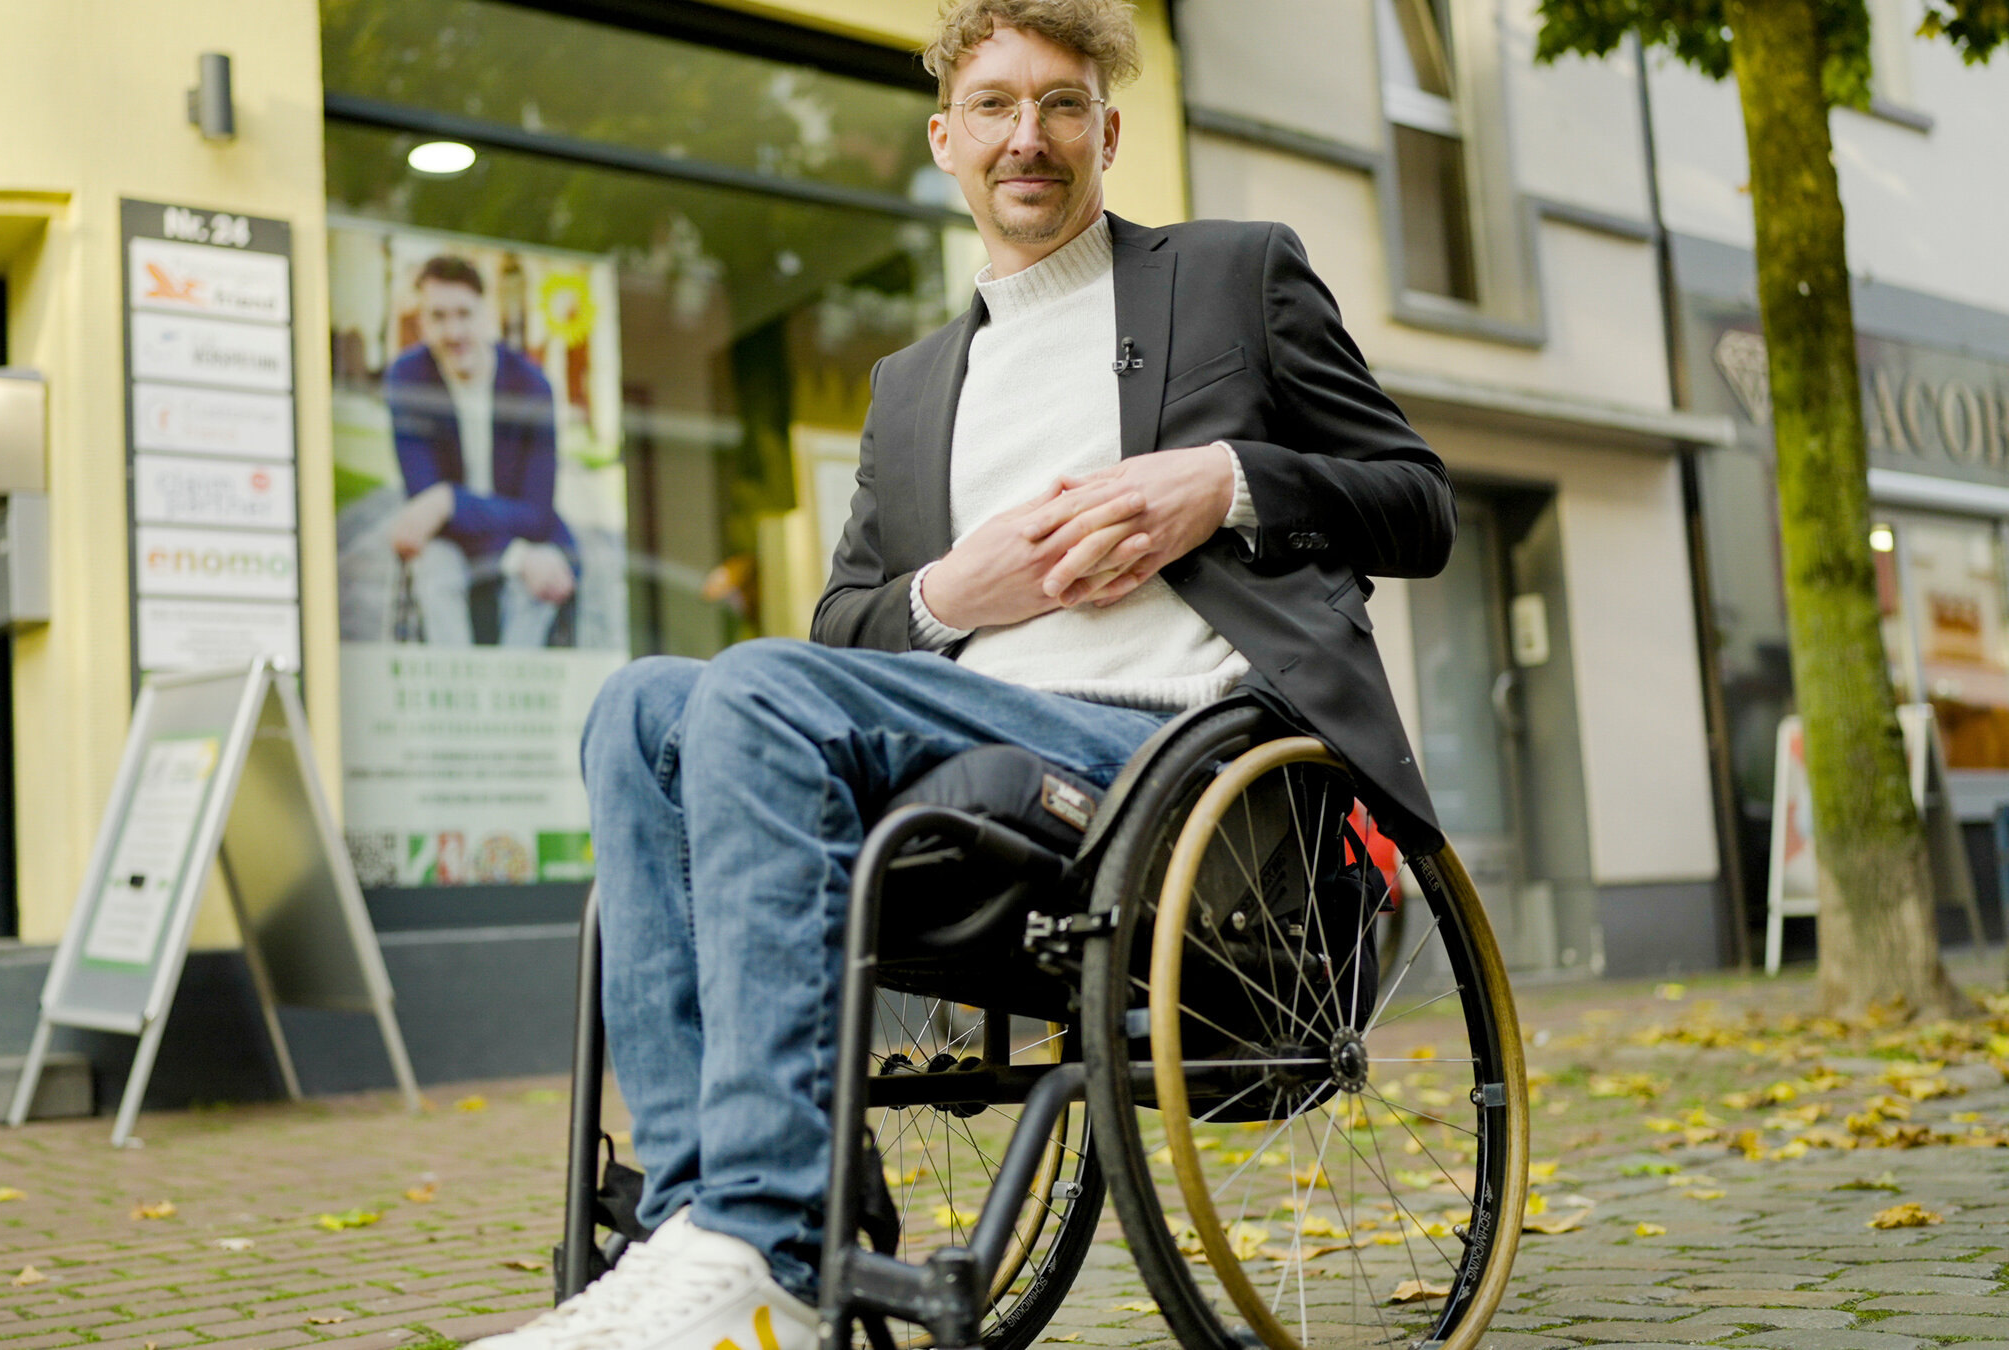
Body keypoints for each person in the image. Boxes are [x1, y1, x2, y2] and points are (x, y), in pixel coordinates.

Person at [483, 3, 1455, 1349]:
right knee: (638, 703)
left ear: (1107, 131)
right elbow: (841, 629)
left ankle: (757, 1236)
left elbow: (1416, 506)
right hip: (967, 742)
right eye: (993, 105)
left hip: (1168, 760)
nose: (1028, 136)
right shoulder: (909, 386)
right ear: (945, 138)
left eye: (1061, 104)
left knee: (751, 686)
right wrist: (952, 593)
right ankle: (687, 1233)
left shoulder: (1234, 278)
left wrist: (1218, 482)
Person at [381, 254, 579, 647]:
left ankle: (512, 701)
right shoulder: (407, 380)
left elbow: (537, 513)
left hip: (523, 533)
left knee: (545, 575)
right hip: (452, 542)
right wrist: (514, 555)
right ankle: (454, 698)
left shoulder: (531, 386)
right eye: (438, 317)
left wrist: (448, 501)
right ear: (421, 321)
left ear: (486, 314)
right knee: (434, 570)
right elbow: (424, 508)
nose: (453, 331)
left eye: (464, 314)